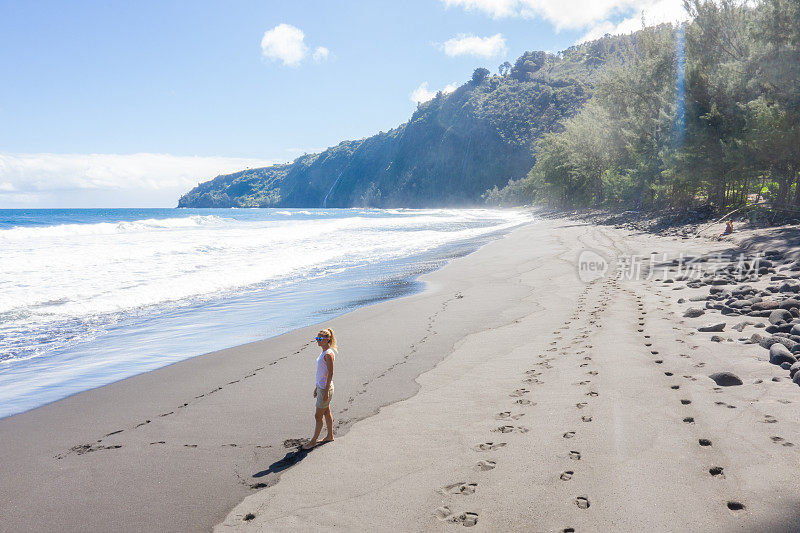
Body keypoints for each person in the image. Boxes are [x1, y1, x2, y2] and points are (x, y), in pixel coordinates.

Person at [302, 328, 336, 450]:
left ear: (327, 339)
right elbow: (322, 373)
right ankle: (330, 436)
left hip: (325, 389)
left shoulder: (328, 354)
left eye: (320, 339)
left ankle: (313, 441)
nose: (317, 341)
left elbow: (331, 374)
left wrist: (325, 392)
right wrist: (317, 387)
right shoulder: (324, 352)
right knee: (326, 412)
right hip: (322, 387)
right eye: (317, 338)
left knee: (318, 416)